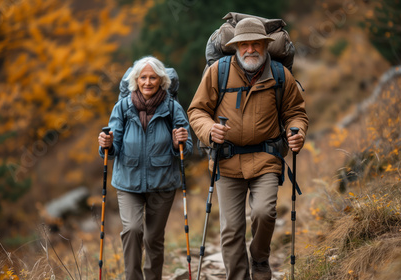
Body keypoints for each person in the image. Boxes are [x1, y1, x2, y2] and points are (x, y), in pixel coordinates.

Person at [187, 18, 309, 280]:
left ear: (265, 46)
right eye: (244, 45)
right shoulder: (218, 72)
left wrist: (296, 132)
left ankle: (261, 260)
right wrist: (209, 130)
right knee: (231, 229)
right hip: (227, 160)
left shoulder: (280, 75)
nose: (250, 49)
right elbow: (197, 110)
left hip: (266, 157)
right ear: (236, 47)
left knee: (264, 212)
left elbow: (296, 113)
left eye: (256, 44)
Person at [98, 56, 192, 280]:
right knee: (132, 230)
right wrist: (106, 145)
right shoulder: (122, 107)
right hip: (128, 183)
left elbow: (186, 149)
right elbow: (112, 148)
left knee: (153, 238)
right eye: (143, 77)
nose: (148, 82)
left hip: (163, 184)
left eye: (153, 77)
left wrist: (178, 141)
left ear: (161, 80)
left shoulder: (172, 108)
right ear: (136, 80)